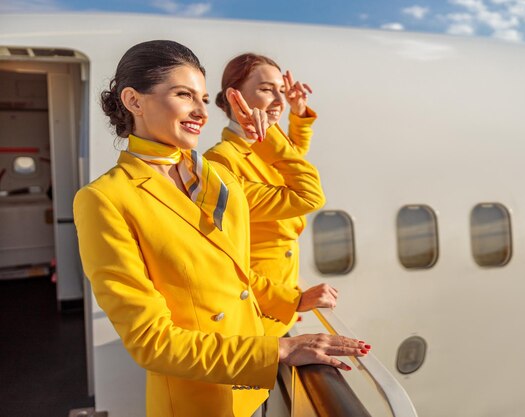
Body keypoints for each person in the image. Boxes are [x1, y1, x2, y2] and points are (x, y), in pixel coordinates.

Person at [73, 40, 370, 417]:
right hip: (200, 401)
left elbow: (236, 277)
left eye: (200, 97)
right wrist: (278, 350)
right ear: (134, 101)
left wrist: (291, 301)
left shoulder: (214, 177)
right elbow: (150, 341)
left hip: (252, 388)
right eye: (183, 95)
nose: (201, 110)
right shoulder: (104, 198)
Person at [205, 53, 317, 337]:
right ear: (234, 97)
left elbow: (290, 158)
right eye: (267, 90)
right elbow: (306, 192)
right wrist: (292, 301)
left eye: (281, 90)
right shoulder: (220, 162)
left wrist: (299, 112)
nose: (279, 101)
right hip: (255, 310)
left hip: (279, 302)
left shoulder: (264, 149)